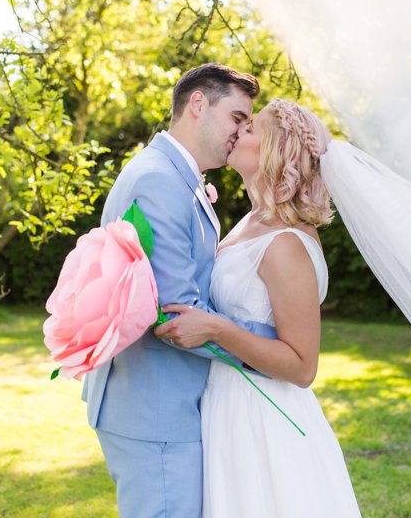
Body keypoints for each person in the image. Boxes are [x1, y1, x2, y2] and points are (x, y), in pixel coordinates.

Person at [82, 63, 280, 518]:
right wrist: (274, 346)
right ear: (197, 104)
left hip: (161, 403)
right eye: (236, 117)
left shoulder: (175, 176)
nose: (241, 131)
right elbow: (177, 315)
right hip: (156, 409)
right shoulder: (160, 180)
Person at [154, 99, 361, 517]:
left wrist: (215, 330)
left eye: (250, 129)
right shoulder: (254, 222)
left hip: (264, 423)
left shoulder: (286, 244)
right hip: (229, 407)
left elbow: (303, 366)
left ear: (275, 152)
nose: (237, 131)